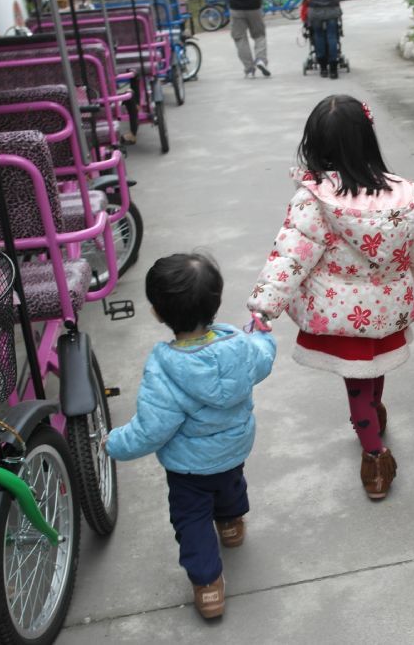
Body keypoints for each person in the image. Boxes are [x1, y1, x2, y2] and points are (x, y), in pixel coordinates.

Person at [248, 95, 414, 500]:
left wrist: (266, 303)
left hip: (343, 316)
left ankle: (375, 459)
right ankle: (375, 411)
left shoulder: (315, 200)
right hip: (387, 310)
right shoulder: (405, 195)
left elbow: (291, 256)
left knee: (356, 385)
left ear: (317, 145)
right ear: (367, 139)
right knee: (375, 367)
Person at [105, 253, 276, 620]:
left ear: (157, 313)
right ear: (215, 303)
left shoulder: (165, 369)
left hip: (188, 468)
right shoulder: (239, 346)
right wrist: (261, 333)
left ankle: (208, 585)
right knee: (230, 483)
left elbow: (151, 429)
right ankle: (231, 525)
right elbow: (263, 358)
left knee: (192, 521)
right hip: (234, 446)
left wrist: (114, 443)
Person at [221, 0, 271, 77]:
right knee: (259, 35)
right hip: (254, 6)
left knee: (239, 37)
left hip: (236, 7)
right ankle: (260, 59)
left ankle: (249, 68)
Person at [301, 0, 343, 78]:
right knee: (332, 35)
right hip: (331, 7)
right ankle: (333, 69)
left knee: (318, 35)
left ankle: (323, 68)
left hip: (316, 8)